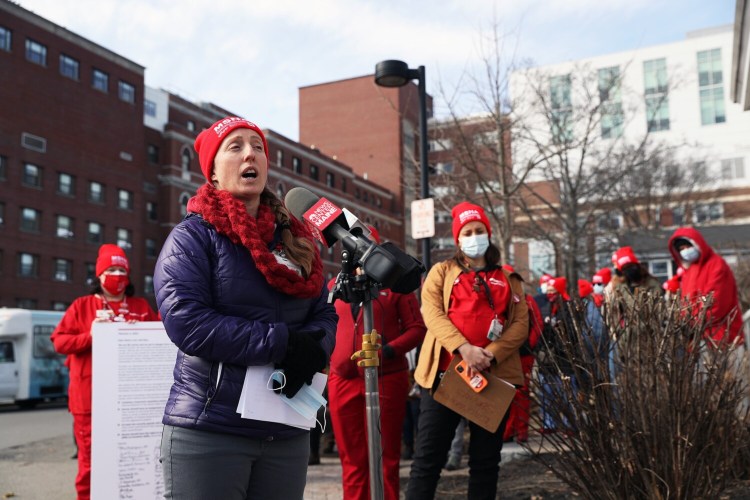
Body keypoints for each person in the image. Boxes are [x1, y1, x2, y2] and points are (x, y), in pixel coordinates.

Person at [153, 116, 338, 500]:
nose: (250, 153)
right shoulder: (191, 237)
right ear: (214, 173)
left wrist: (316, 346)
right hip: (211, 430)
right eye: (235, 147)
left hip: (285, 430)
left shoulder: (296, 241)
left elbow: (324, 311)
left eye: (257, 146)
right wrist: (283, 344)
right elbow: (188, 323)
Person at [406, 202, 529, 500]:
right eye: (468, 232)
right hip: (442, 377)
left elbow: (520, 324)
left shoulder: (509, 279)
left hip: (492, 379)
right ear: (458, 239)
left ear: (488, 233)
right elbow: (431, 313)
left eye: (479, 230)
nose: (474, 236)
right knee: (427, 461)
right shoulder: (441, 272)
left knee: (486, 463)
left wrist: (491, 353)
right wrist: (464, 349)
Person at [51, 244, 158, 500]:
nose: (117, 275)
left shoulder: (141, 306)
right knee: (90, 463)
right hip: (89, 401)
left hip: (133, 402)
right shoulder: (82, 306)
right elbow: (60, 342)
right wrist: (91, 335)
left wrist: (141, 331)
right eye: (111, 269)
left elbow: (160, 340)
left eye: (121, 270)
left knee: (133, 459)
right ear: (99, 276)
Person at [327, 225, 427, 500]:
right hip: (343, 381)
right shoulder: (334, 287)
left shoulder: (395, 287)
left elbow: (417, 328)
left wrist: (389, 352)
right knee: (352, 461)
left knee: (385, 460)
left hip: (386, 379)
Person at [668, 227, 744, 346]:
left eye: (688, 247)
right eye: (681, 249)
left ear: (697, 244)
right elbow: (687, 302)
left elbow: (715, 303)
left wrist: (690, 323)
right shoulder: (689, 270)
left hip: (721, 337)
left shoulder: (716, 265)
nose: (685, 251)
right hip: (699, 339)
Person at [502, 264, 543, 444]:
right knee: (505, 393)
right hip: (504, 355)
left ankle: (520, 431)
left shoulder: (527, 300)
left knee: (522, 393)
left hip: (523, 354)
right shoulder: (497, 299)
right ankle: (508, 430)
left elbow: (537, 324)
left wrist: (529, 344)